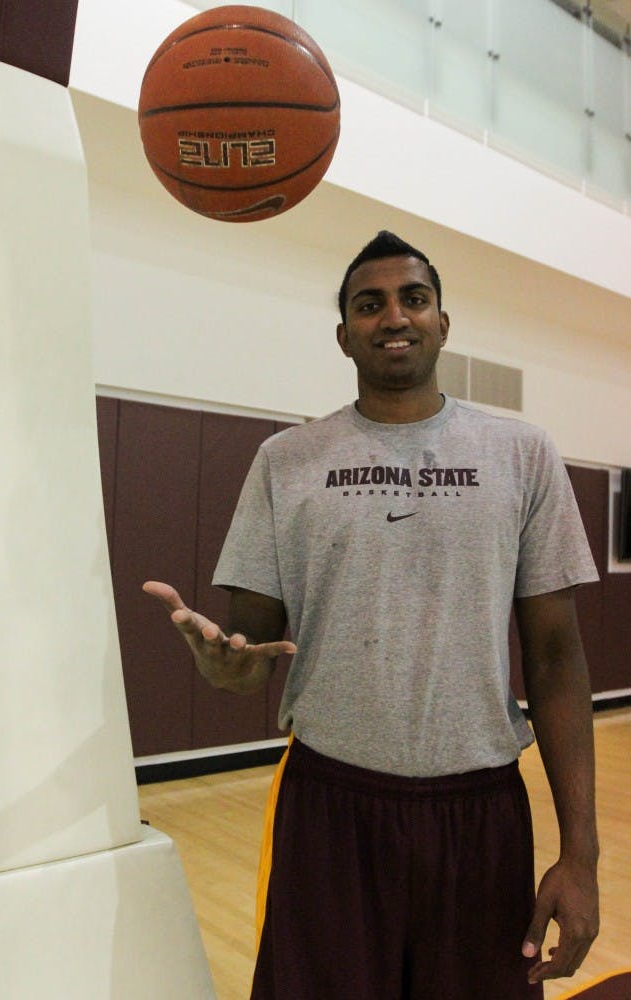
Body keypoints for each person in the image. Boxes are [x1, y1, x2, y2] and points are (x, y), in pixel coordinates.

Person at [144, 231, 600, 999]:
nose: (393, 315)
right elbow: (248, 638)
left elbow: (556, 659)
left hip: (479, 811)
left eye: (412, 298)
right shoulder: (284, 460)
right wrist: (223, 665)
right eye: (369, 303)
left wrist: (579, 855)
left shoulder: (521, 453)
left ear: (442, 324)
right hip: (329, 808)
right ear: (343, 334)